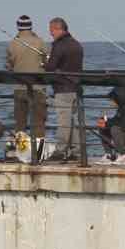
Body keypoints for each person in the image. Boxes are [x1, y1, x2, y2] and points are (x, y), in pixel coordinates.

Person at [44, 17, 85, 161]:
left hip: (63, 88)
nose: (51, 34)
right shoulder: (76, 44)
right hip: (76, 87)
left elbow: (50, 67)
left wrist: (45, 61)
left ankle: (60, 150)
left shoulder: (59, 45)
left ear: (58, 29)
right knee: (71, 121)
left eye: (51, 31)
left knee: (64, 122)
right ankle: (77, 150)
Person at [6, 15, 48, 141]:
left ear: (18, 26)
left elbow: (9, 66)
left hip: (19, 88)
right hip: (38, 88)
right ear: (31, 26)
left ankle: (21, 151)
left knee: (20, 123)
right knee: (39, 122)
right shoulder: (40, 42)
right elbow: (48, 61)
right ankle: (39, 153)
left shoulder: (13, 43)